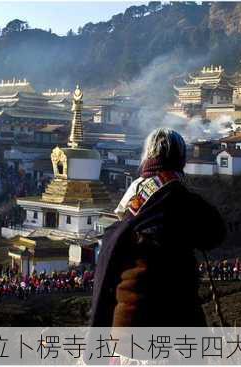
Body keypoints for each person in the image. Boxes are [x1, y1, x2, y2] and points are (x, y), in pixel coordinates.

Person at [90, 128, 226, 327]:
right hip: (175, 318)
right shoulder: (182, 198)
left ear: (148, 156)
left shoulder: (133, 195)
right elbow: (216, 234)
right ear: (180, 160)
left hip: (126, 322)